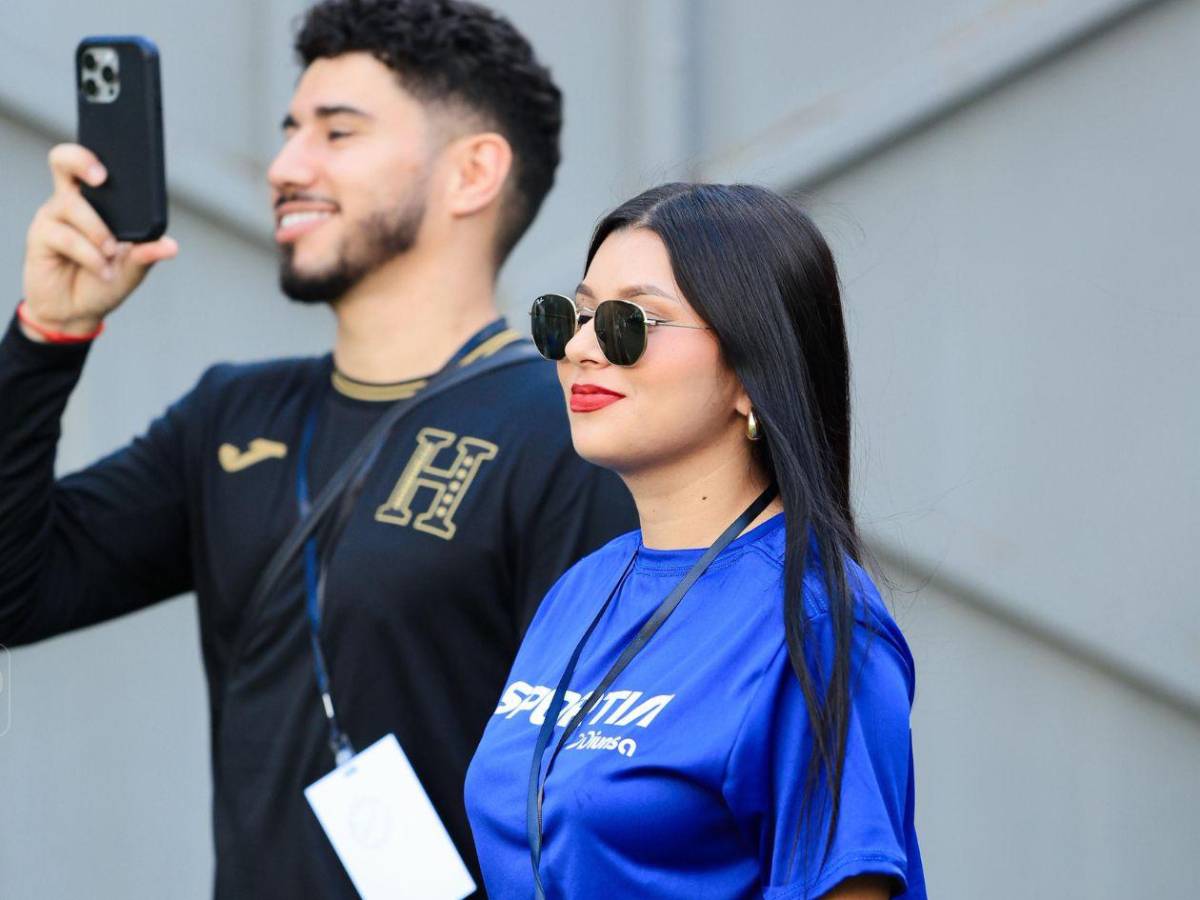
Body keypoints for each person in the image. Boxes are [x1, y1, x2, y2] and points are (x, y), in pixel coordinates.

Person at [0, 1, 634, 897]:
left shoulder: (568, 433)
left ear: (472, 173)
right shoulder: (230, 415)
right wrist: (44, 338)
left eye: (337, 133)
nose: (286, 166)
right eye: (290, 130)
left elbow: (603, 796)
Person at [465, 182, 926, 899]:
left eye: (632, 322)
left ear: (750, 373)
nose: (583, 348)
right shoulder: (581, 590)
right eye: (573, 317)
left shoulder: (813, 628)